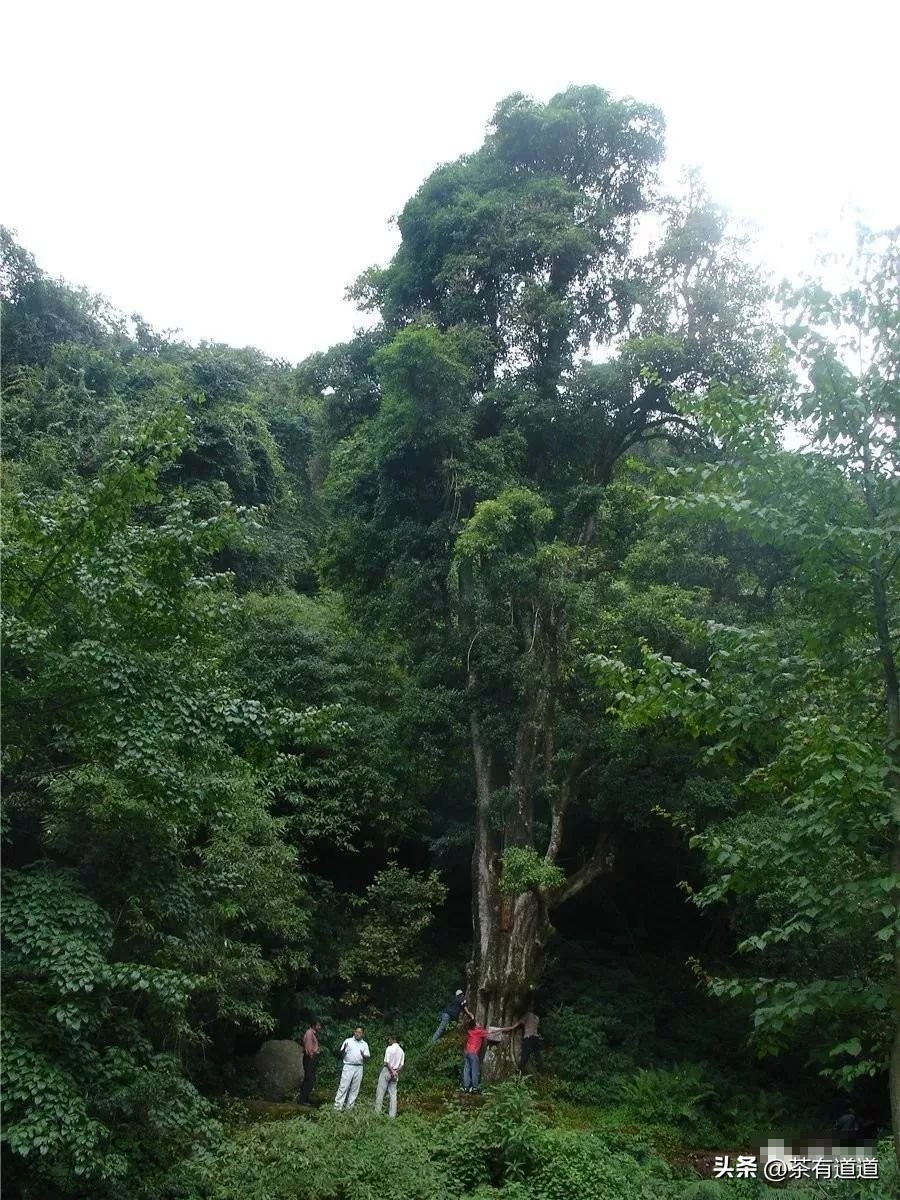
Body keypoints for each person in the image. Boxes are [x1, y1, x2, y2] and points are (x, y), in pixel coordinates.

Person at [461, 1017, 516, 1093]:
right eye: (477, 1023)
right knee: (474, 1070)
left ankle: (466, 1087)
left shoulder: (470, 1031)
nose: (479, 1023)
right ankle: (474, 1087)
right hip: (473, 1053)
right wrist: (506, 1028)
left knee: (466, 1069)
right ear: (475, 1025)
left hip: (467, 1052)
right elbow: (492, 1032)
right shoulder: (479, 1031)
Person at [334, 1026, 370, 1110]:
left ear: (362, 1034)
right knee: (343, 1086)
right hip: (348, 1066)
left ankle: (349, 1108)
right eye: (356, 1032)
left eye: (360, 1032)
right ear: (354, 1032)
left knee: (355, 1088)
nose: (357, 1034)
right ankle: (337, 1107)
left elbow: (367, 1058)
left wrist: (363, 1055)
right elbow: (341, 1054)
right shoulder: (348, 1041)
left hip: (359, 1067)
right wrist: (343, 1051)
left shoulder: (364, 1044)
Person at [374, 1033, 405, 1118]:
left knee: (380, 1092)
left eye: (389, 1039)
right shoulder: (401, 1051)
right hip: (395, 1073)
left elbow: (387, 1062)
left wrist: (391, 1070)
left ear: (392, 1039)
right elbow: (402, 1065)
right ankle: (392, 1116)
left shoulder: (389, 1048)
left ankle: (377, 1113)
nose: (388, 1040)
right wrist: (395, 1072)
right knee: (393, 1094)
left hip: (387, 1071)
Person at [299, 1019, 322, 1105]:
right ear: (313, 1026)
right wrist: (312, 1055)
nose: (320, 1027)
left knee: (311, 1079)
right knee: (309, 1079)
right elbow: (308, 1047)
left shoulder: (313, 1034)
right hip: (309, 1058)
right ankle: (302, 1100)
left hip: (311, 1058)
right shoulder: (309, 1033)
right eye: (318, 1025)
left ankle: (306, 1098)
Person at [517, 1009, 542, 1074]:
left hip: (528, 1037)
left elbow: (519, 1023)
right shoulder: (537, 1018)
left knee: (525, 1054)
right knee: (537, 1055)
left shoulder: (527, 1015)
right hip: (536, 1037)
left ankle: (520, 1070)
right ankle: (541, 1070)